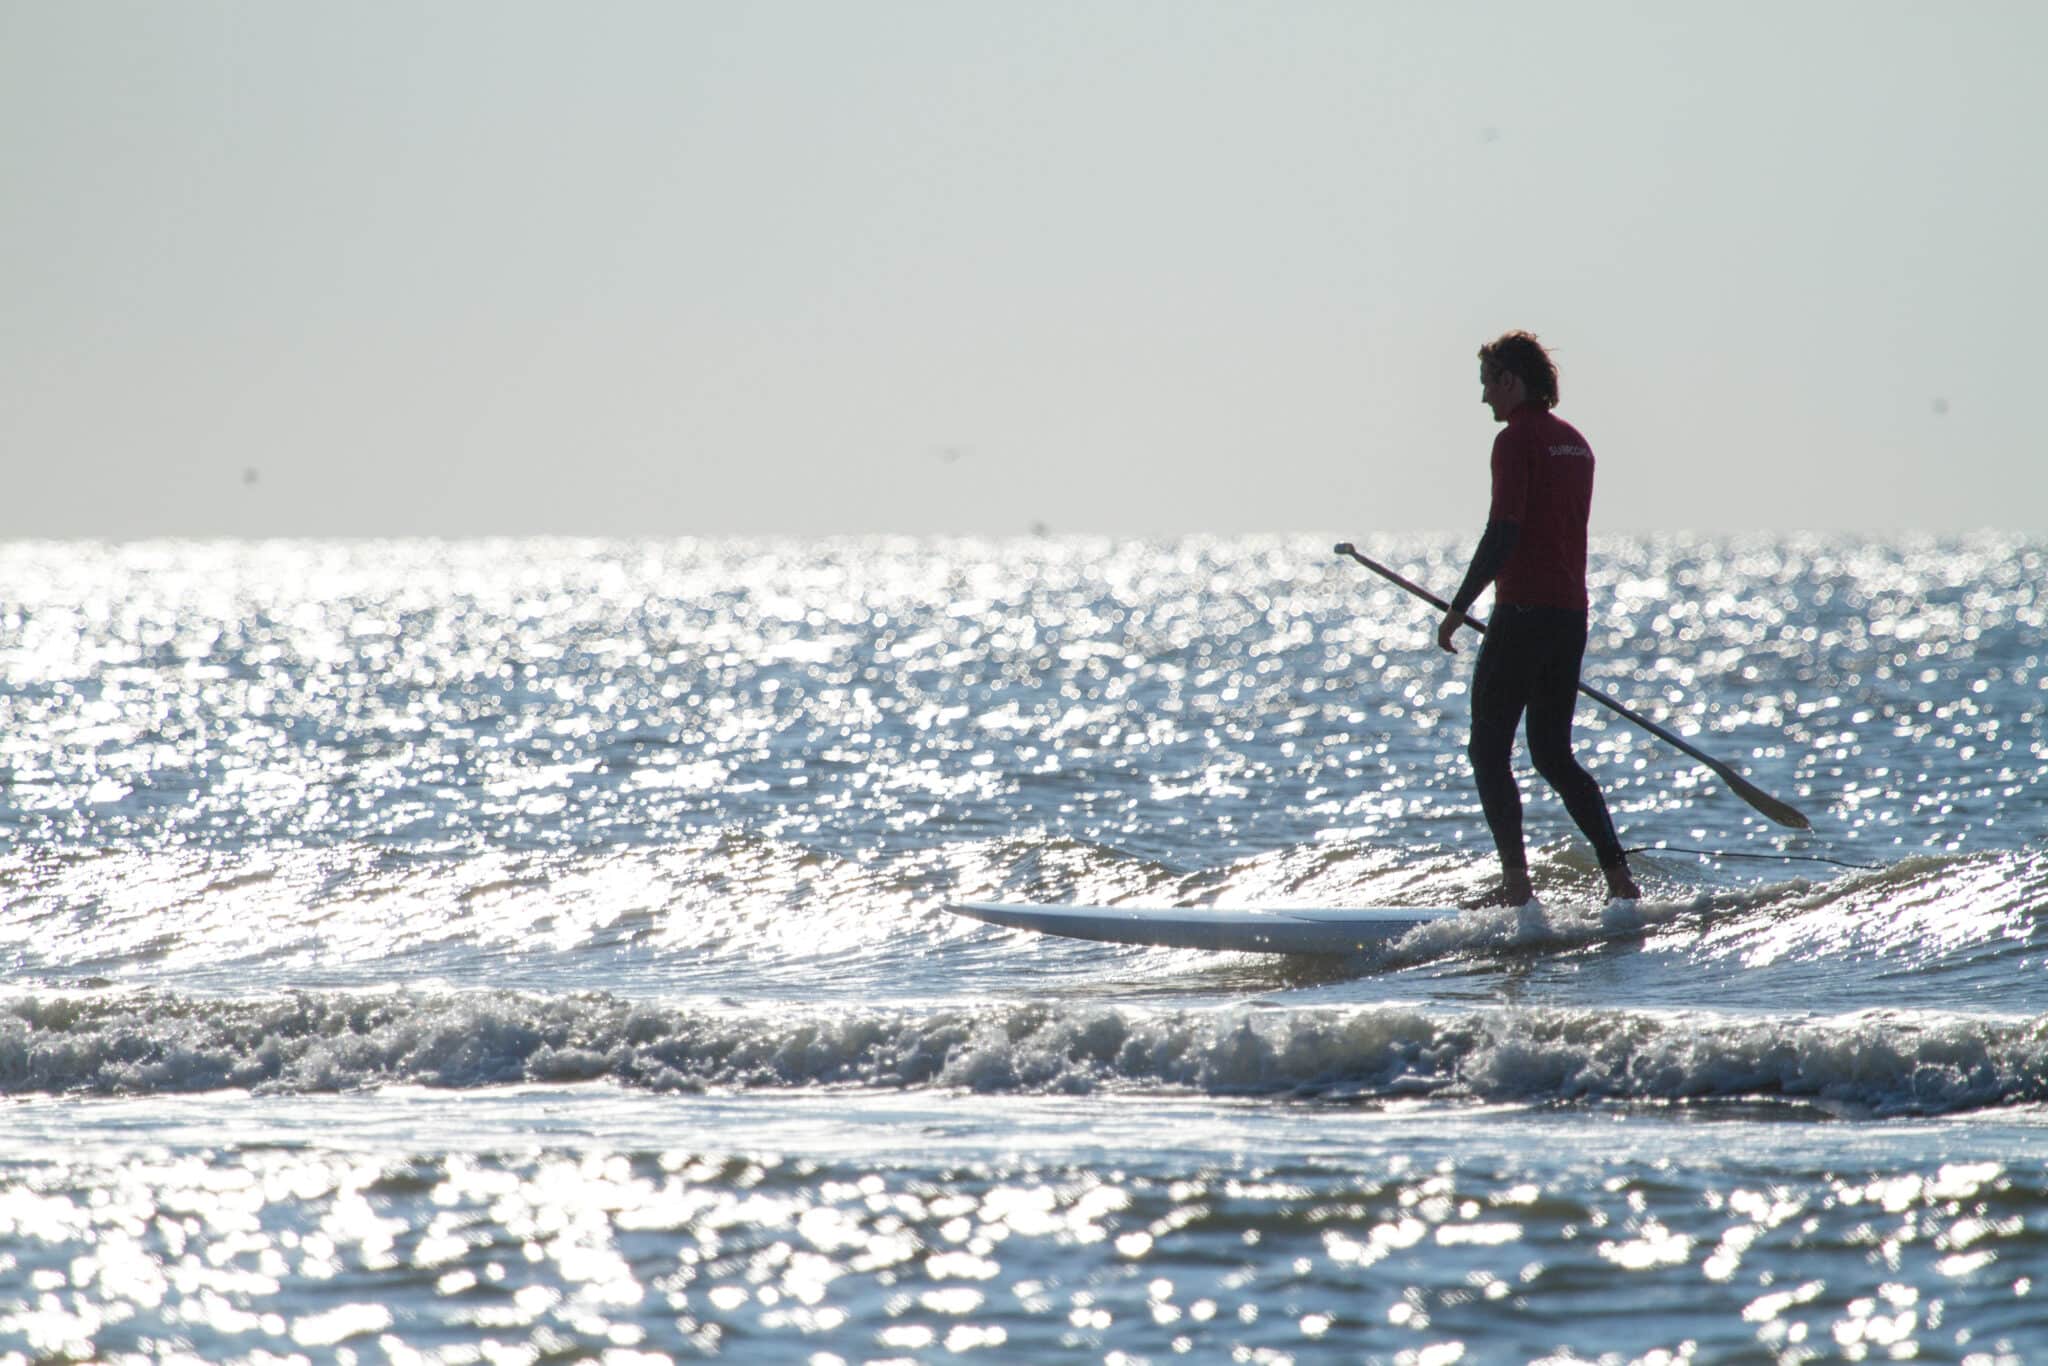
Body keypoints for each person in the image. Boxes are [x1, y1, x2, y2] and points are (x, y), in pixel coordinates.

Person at [1435, 331, 1641, 907]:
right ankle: (1619, 877)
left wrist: (1458, 607)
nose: (1484, 401)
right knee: (1553, 755)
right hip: (1569, 617)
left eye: (1487, 385)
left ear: (1509, 380)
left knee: (1487, 749)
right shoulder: (1576, 443)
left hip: (1522, 614)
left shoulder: (1515, 440)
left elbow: (1504, 531)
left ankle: (1516, 887)